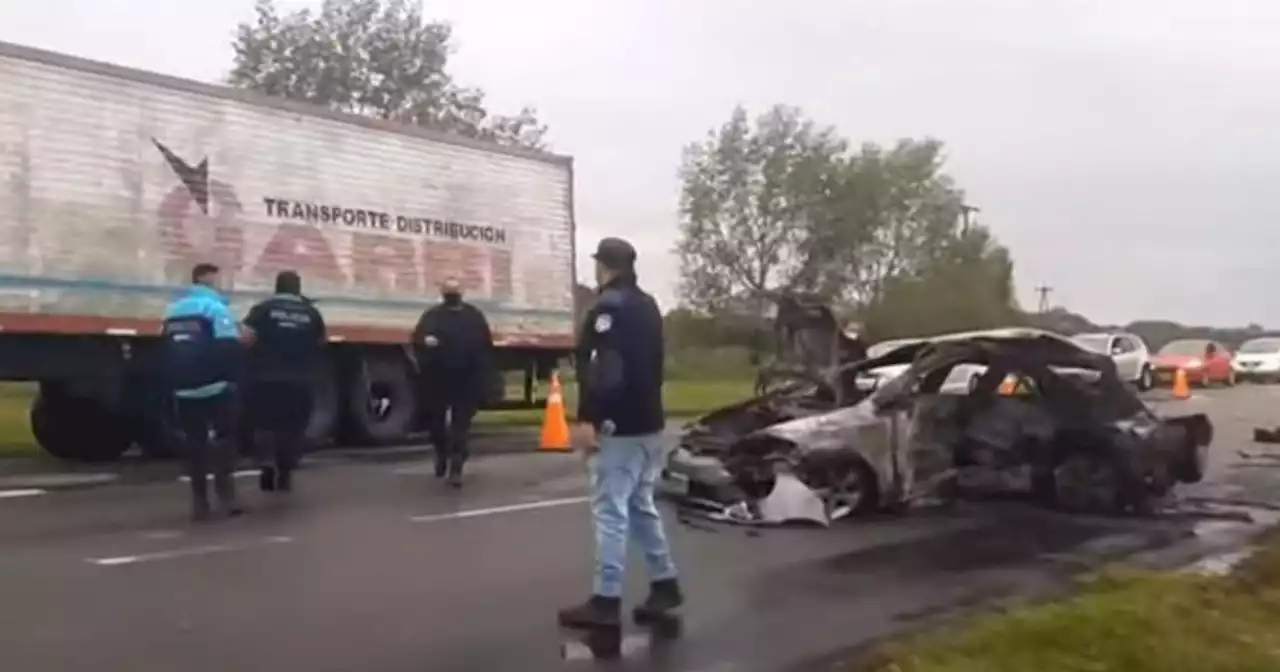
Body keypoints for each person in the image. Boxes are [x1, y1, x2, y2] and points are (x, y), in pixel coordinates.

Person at [558, 237, 683, 630]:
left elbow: (604, 371)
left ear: (604, 267)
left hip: (619, 425)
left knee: (610, 510)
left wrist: (588, 419)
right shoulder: (648, 307)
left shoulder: (608, 310)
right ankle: (665, 583)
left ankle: (605, 599)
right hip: (649, 420)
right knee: (639, 505)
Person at [160, 263, 244, 521]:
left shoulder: (172, 310)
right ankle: (226, 498)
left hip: (184, 389)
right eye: (218, 279)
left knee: (194, 444)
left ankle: (199, 502)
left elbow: (165, 348)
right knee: (224, 439)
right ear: (207, 280)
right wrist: (233, 380)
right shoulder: (216, 309)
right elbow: (228, 348)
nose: (221, 284)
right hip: (215, 387)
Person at [242, 271, 327, 494]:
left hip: (265, 377)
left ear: (276, 287)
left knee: (264, 424)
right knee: (293, 428)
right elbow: (321, 342)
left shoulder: (262, 310)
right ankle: (285, 475)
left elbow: (246, 337)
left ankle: (266, 460)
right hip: (300, 380)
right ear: (298, 288)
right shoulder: (311, 313)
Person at [411, 277, 494, 487]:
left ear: (461, 293)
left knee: (460, 426)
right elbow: (417, 338)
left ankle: (456, 467)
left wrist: (484, 377)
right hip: (437, 378)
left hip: (466, 380)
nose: (451, 296)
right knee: (436, 423)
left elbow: (485, 347)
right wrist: (426, 342)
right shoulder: (433, 316)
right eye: (448, 292)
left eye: (454, 291)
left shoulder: (473, 317)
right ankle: (441, 453)